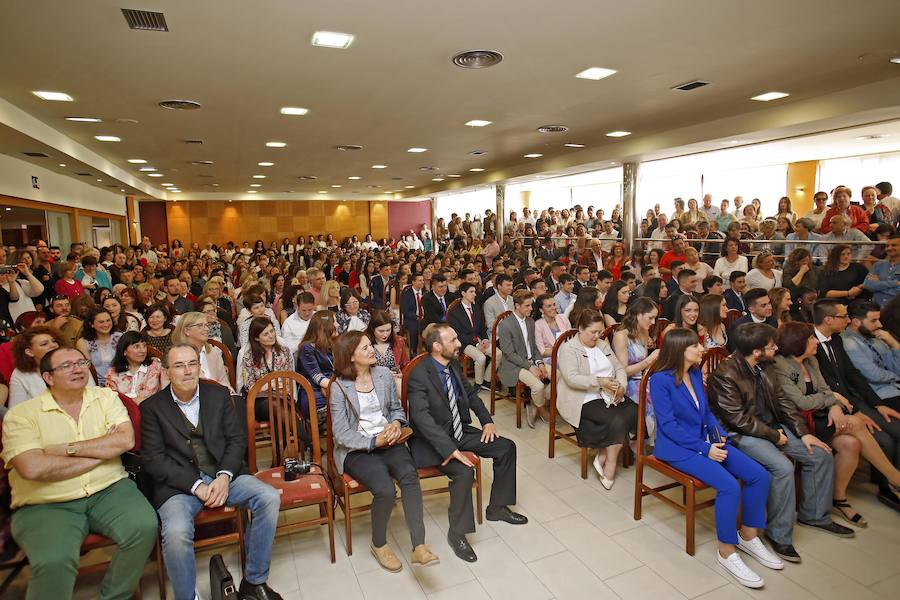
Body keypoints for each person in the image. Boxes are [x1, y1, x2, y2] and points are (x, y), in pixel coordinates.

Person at [1, 347, 158, 600]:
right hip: (47, 501)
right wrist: (101, 453)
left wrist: (65, 450)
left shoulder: (106, 398)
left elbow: (125, 441)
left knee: (144, 526)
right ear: (48, 377)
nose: (77, 368)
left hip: (108, 489)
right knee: (55, 559)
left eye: (81, 362)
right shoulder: (21, 415)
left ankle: (114, 596)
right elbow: (32, 467)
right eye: (66, 366)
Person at [141, 344, 283, 600]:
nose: (187, 371)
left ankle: (254, 581)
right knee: (175, 533)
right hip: (179, 485)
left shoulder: (217, 396)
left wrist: (225, 476)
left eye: (192, 364)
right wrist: (197, 486)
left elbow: (236, 440)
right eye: (179, 365)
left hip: (222, 474)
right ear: (166, 372)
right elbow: (154, 460)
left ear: (199, 366)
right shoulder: (152, 408)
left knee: (269, 498)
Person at [707, 323, 852, 564]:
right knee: (782, 468)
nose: (776, 347)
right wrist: (776, 437)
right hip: (742, 434)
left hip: (772, 426)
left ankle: (815, 515)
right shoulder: (725, 375)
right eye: (771, 345)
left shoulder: (767, 366)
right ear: (756, 351)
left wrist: (802, 432)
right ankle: (779, 534)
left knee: (819, 454)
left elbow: (784, 403)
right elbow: (738, 420)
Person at [649, 328, 777, 588]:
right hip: (676, 448)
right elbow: (669, 426)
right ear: (679, 351)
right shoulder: (660, 380)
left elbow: (706, 412)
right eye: (695, 346)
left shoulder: (695, 372)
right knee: (729, 486)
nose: (702, 349)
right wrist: (704, 448)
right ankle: (726, 551)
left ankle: (749, 536)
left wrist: (716, 437)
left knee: (758, 475)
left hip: (704, 441)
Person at [406, 323, 526, 563]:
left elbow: (471, 395)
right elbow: (422, 419)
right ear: (437, 346)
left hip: (459, 431)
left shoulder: (452, 366)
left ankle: (497, 508)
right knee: (463, 471)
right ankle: (457, 533)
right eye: (452, 340)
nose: (459, 343)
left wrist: (487, 421)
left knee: (506, 447)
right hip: (433, 441)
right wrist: (450, 450)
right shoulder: (419, 374)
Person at [329, 331, 439, 571]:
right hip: (358, 449)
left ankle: (419, 546)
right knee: (385, 490)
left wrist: (396, 424)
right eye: (365, 348)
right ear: (350, 356)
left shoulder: (383, 375)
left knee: (410, 478)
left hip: (390, 440)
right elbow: (341, 434)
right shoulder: (339, 387)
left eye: (371, 345)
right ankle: (378, 544)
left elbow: (396, 410)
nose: (372, 350)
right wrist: (373, 442)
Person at [773, 321, 900, 527]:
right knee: (855, 422)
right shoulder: (780, 365)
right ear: (797, 343)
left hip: (821, 416)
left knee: (851, 444)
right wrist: (832, 400)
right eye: (811, 338)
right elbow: (801, 402)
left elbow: (825, 389)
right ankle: (895, 478)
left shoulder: (811, 360)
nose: (815, 341)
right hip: (798, 421)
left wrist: (833, 403)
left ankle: (839, 499)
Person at [813, 299, 900, 511]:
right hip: (827, 407)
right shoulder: (809, 343)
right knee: (886, 434)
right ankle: (893, 482)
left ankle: (891, 483)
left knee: (889, 428)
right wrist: (857, 409)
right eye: (844, 317)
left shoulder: (835, 340)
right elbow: (821, 387)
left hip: (850, 401)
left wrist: (877, 405)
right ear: (828, 319)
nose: (848, 320)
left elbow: (853, 376)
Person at [557, 309, 634, 488]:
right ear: (580, 328)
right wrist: (600, 382)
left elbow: (619, 368)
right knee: (616, 418)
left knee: (634, 411)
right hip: (582, 398)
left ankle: (603, 455)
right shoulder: (569, 349)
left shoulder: (602, 344)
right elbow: (572, 378)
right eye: (593, 332)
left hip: (608, 393)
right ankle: (610, 464)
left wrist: (621, 386)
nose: (597, 336)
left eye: (600, 332)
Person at [496, 290, 550, 428]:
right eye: (527, 306)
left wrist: (540, 363)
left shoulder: (531, 322)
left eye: (531, 305)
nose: (531, 309)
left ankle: (535, 403)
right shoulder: (505, 325)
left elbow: (535, 348)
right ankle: (540, 408)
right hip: (514, 365)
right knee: (538, 386)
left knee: (558, 376)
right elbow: (509, 354)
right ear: (517, 306)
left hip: (531, 360)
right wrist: (530, 366)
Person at [841, 301, 900, 402]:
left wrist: (895, 344)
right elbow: (874, 375)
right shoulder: (849, 343)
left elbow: (897, 367)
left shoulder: (876, 337)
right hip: (882, 395)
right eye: (874, 321)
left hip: (895, 387)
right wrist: (897, 376)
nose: (880, 325)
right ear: (856, 322)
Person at [240, 316, 293, 420]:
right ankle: (307, 436)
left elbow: (288, 378)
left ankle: (305, 437)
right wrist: (271, 384)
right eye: (265, 334)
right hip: (260, 401)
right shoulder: (248, 356)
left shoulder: (284, 352)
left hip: (282, 397)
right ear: (256, 338)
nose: (271, 336)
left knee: (280, 408)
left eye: (272, 331)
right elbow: (249, 386)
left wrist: (268, 384)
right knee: (275, 406)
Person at [447, 282, 493, 390]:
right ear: (463, 293)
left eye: (475, 292)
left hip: (479, 339)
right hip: (463, 342)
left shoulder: (476, 308)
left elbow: (482, 328)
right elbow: (458, 333)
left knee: (498, 354)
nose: (474, 294)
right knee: (481, 358)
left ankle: (486, 380)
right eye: (471, 292)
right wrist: (477, 344)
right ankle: (478, 384)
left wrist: (485, 339)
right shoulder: (455, 311)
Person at [172, 311, 233, 392]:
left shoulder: (213, 352)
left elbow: (223, 381)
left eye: (207, 325)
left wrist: (228, 393)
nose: (207, 329)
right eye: (200, 325)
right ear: (187, 330)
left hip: (218, 398)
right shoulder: (175, 355)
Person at [8, 325, 67, 409]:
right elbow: (15, 411)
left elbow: (90, 394)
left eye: (54, 341)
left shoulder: (74, 362)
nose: (53, 345)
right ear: (29, 352)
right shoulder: (20, 373)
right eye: (44, 344)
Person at [105, 330, 168, 403]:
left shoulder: (156, 366)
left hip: (151, 411)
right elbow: (110, 400)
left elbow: (166, 392)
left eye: (144, 346)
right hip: (122, 412)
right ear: (124, 351)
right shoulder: (112, 373)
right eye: (136, 346)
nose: (143, 350)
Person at [296, 310, 338, 417]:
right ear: (325, 326)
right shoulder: (307, 348)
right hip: (314, 391)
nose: (338, 324)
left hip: (334, 387)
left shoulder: (335, 342)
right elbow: (316, 376)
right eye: (334, 321)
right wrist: (336, 387)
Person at [75, 309, 122, 386]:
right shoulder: (83, 342)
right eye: (101, 322)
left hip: (121, 382)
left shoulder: (120, 337)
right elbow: (86, 369)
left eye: (108, 320)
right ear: (91, 324)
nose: (106, 324)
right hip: (96, 385)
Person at [366, 310, 411, 374]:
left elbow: (406, 365)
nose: (385, 334)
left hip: (395, 380)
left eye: (388, 330)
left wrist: (402, 375)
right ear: (372, 329)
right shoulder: (365, 343)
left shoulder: (398, 341)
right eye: (381, 331)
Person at [864, 235, 900, 307]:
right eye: (887, 246)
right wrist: (895, 283)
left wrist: (879, 284)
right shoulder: (878, 265)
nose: (889, 248)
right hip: (876, 309)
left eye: (894, 245)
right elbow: (867, 285)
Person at [534, 292, 572, 357]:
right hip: (551, 357)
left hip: (569, 354)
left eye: (554, 305)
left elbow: (572, 339)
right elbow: (542, 352)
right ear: (541, 310)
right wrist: (560, 351)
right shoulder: (538, 325)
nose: (553, 308)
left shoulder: (563, 318)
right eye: (549, 306)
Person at [400, 273, 426, 354]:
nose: (422, 282)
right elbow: (406, 311)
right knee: (414, 329)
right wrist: (417, 317)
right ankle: (413, 351)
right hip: (411, 319)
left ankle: (429, 349)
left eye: (423, 280)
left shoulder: (426, 292)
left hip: (425, 318)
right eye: (420, 281)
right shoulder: (406, 293)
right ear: (413, 282)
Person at [482, 273, 514, 340]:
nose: (511, 288)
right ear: (499, 286)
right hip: (496, 336)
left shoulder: (512, 300)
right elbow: (491, 326)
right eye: (508, 285)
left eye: (511, 285)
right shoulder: (489, 303)